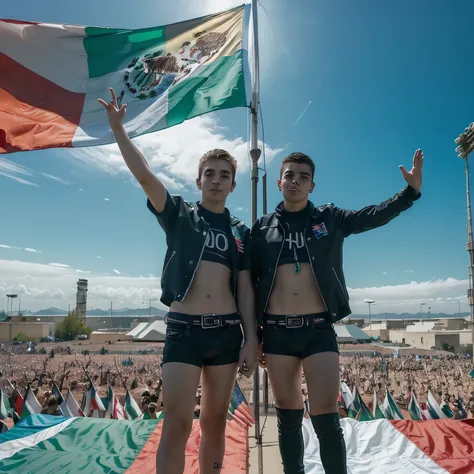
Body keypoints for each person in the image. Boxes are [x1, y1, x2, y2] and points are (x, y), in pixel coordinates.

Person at [98, 88, 257, 474]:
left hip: (225, 333)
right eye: (210, 174)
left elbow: (247, 289)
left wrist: (252, 337)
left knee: (215, 421)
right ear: (199, 180)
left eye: (225, 176)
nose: (216, 181)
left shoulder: (240, 231)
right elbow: (144, 175)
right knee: (178, 423)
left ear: (234, 184)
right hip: (183, 331)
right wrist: (120, 131)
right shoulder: (180, 214)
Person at [251, 150, 423, 474]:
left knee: (326, 415)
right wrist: (255, 335)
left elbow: (370, 216)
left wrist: (408, 194)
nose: (295, 181)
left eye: (303, 177)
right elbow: (251, 284)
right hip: (277, 332)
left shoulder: (329, 218)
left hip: (318, 329)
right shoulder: (262, 228)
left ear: (312, 186)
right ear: (279, 181)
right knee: (287, 416)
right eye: (289, 175)